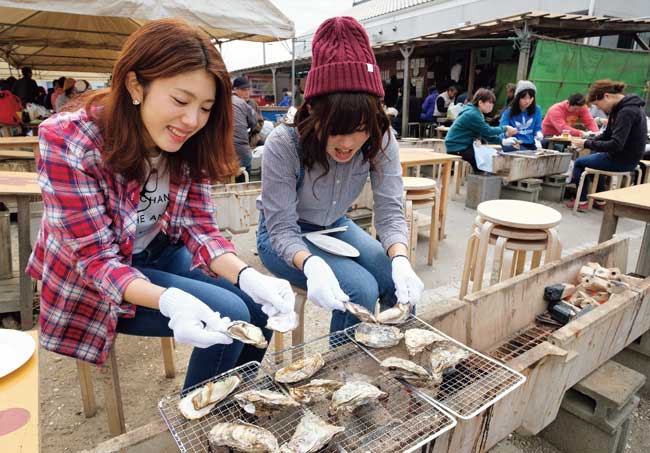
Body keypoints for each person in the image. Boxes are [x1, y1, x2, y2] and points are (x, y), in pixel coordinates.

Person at [27, 19, 296, 391]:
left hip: (158, 251)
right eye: (180, 101)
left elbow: (198, 226)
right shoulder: (70, 140)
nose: (192, 121)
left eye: (205, 107)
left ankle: (234, 404)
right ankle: (198, 421)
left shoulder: (191, 140)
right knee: (232, 312)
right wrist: (169, 300)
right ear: (136, 85)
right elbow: (96, 261)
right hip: (96, 280)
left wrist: (248, 276)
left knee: (257, 308)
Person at [256, 16, 424, 335]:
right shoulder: (284, 142)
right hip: (282, 235)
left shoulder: (382, 137)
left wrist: (401, 258)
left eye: (359, 129)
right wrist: (310, 263)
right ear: (313, 112)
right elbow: (280, 228)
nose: (347, 144)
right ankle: (344, 378)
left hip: (335, 225)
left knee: (397, 282)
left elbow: (389, 210)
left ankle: (396, 364)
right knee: (361, 289)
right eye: (335, 130)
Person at [566, 80, 647, 211]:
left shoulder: (626, 112)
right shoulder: (623, 108)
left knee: (580, 163)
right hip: (626, 157)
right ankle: (600, 199)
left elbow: (616, 144)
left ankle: (581, 201)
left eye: (598, 105)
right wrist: (588, 143)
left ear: (607, 96)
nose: (598, 109)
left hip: (624, 161)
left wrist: (587, 143)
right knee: (594, 158)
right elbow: (608, 134)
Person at [444, 88, 517, 172]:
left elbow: (485, 134)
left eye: (493, 103)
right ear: (480, 102)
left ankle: (480, 179)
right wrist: (505, 128)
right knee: (483, 161)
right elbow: (488, 130)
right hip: (457, 147)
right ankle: (479, 181)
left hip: (463, 146)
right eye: (489, 103)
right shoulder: (473, 114)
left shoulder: (477, 113)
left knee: (487, 157)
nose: (491, 106)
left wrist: (503, 141)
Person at [499, 80, 543, 151]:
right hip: (514, 144)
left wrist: (538, 133)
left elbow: (537, 128)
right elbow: (501, 132)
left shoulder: (537, 110)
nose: (527, 101)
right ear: (517, 98)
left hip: (531, 144)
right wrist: (507, 135)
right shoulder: (508, 112)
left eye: (530, 98)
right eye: (524, 98)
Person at [231, 77, 258, 182]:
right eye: (243, 90)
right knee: (243, 181)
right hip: (241, 152)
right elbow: (254, 122)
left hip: (222, 152)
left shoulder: (220, 102)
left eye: (248, 89)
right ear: (235, 90)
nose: (247, 93)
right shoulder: (243, 104)